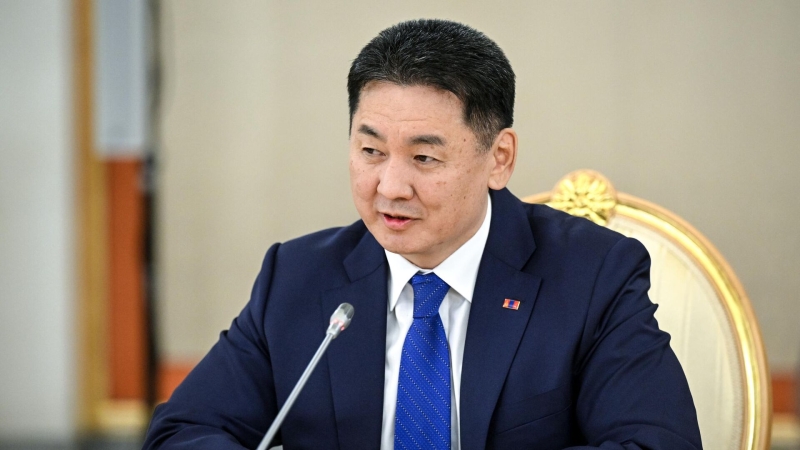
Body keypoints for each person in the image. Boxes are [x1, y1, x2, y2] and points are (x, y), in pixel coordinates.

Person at [144, 19, 701, 450]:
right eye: (371, 151)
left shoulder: (592, 275)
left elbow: (655, 443)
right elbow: (182, 432)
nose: (389, 186)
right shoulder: (297, 278)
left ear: (499, 158)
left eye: (424, 158)